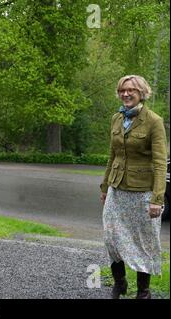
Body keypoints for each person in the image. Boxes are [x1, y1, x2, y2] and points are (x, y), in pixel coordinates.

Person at [100, 75, 167, 299]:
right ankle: (120, 283)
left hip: (143, 193)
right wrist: (104, 186)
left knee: (143, 242)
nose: (126, 94)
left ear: (142, 93)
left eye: (131, 90)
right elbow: (112, 155)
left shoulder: (154, 121)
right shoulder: (116, 119)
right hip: (116, 190)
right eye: (122, 90)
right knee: (112, 239)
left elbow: (159, 163)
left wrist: (158, 199)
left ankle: (143, 292)